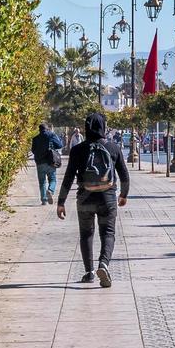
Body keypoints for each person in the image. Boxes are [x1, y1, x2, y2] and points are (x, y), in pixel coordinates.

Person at [57, 112, 130, 287]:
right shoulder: (113, 148)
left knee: (86, 234)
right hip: (108, 198)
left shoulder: (77, 150)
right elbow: (125, 176)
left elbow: (68, 178)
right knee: (108, 233)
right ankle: (103, 264)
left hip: (84, 198)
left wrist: (61, 202)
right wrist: (123, 195)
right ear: (104, 127)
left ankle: (89, 272)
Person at [30, 123, 63, 205]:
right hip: (50, 161)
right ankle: (50, 190)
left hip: (40, 162)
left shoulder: (35, 138)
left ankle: (44, 200)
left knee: (42, 182)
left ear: (39, 130)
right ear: (47, 129)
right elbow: (60, 145)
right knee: (52, 179)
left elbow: (33, 150)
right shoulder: (51, 135)